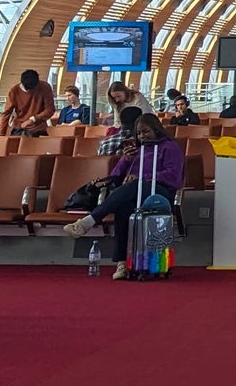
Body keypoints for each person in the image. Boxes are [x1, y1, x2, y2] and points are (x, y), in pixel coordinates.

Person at [66, 114, 182, 280]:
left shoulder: (170, 148)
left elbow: (173, 176)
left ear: (156, 130)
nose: (142, 136)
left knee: (134, 185)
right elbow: (115, 176)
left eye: (146, 132)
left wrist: (144, 177)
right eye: (139, 133)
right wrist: (125, 161)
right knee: (123, 207)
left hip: (160, 193)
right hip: (135, 193)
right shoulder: (137, 150)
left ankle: (90, 220)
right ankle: (122, 262)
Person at [1, 69, 54, 136]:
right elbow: (6, 113)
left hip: (38, 130)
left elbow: (50, 109)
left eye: (32, 89)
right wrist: (0, 135)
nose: (29, 91)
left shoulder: (45, 87)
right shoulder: (14, 91)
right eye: (27, 89)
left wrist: (33, 119)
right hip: (19, 129)